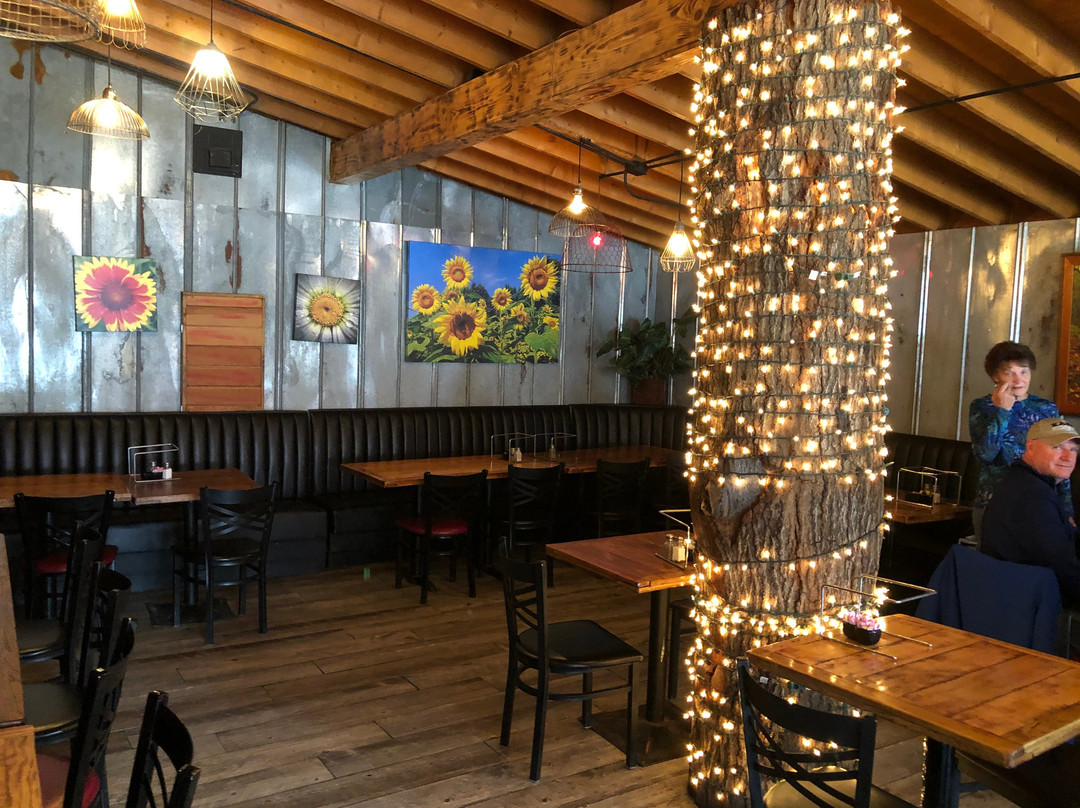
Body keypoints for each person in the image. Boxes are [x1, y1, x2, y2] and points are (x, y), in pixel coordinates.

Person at [968, 341, 1071, 535]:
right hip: (993, 501)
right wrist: (1003, 411)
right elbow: (985, 455)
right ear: (995, 376)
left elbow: (1061, 460)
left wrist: (1066, 509)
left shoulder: (1046, 408)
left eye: (1024, 372)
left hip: (1038, 502)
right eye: (1009, 373)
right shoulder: (981, 407)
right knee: (992, 555)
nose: (1018, 379)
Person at [981, 417, 1080, 607]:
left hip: (1014, 593)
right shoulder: (1033, 495)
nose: (1068, 457)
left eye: (1074, 450)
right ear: (1031, 446)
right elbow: (1062, 568)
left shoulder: (1025, 481)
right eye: (1057, 447)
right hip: (1024, 603)